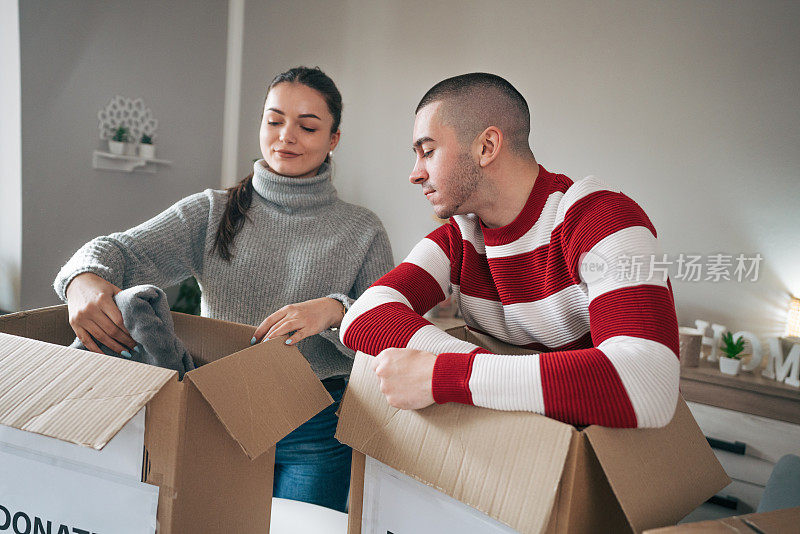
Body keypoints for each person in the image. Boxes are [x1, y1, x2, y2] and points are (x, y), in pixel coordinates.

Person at [54, 66, 393, 512]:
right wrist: (80, 282)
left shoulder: (362, 230)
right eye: (273, 121)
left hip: (315, 427)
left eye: (307, 126)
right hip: (219, 414)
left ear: (333, 139)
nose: (286, 136)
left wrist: (334, 310)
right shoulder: (212, 212)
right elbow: (113, 250)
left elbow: (390, 335)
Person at [339, 73, 679, 429]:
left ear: (486, 146)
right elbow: (365, 316)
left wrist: (444, 376)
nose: (415, 173)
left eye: (427, 151)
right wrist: (478, 371)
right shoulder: (462, 235)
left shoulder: (599, 216)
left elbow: (646, 383)